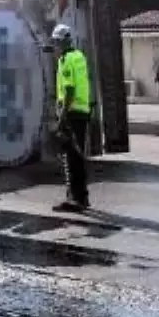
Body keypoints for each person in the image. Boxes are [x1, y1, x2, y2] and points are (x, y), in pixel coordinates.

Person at [51, 23, 92, 212]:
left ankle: (75, 199)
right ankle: (81, 197)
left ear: (62, 42)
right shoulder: (79, 56)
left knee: (71, 157)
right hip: (81, 111)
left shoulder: (66, 60)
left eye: (56, 43)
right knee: (77, 156)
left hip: (72, 113)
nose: (55, 47)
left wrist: (61, 118)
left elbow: (69, 90)